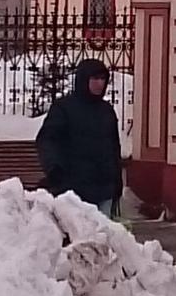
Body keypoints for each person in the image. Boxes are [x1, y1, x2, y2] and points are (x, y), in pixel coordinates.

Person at [36, 57, 124, 218]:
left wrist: (117, 181)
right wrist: (54, 168)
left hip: (104, 188)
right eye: (95, 78)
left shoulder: (106, 111)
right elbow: (48, 139)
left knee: (102, 235)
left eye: (103, 79)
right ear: (84, 79)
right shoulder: (64, 108)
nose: (99, 83)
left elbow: (113, 148)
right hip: (74, 188)